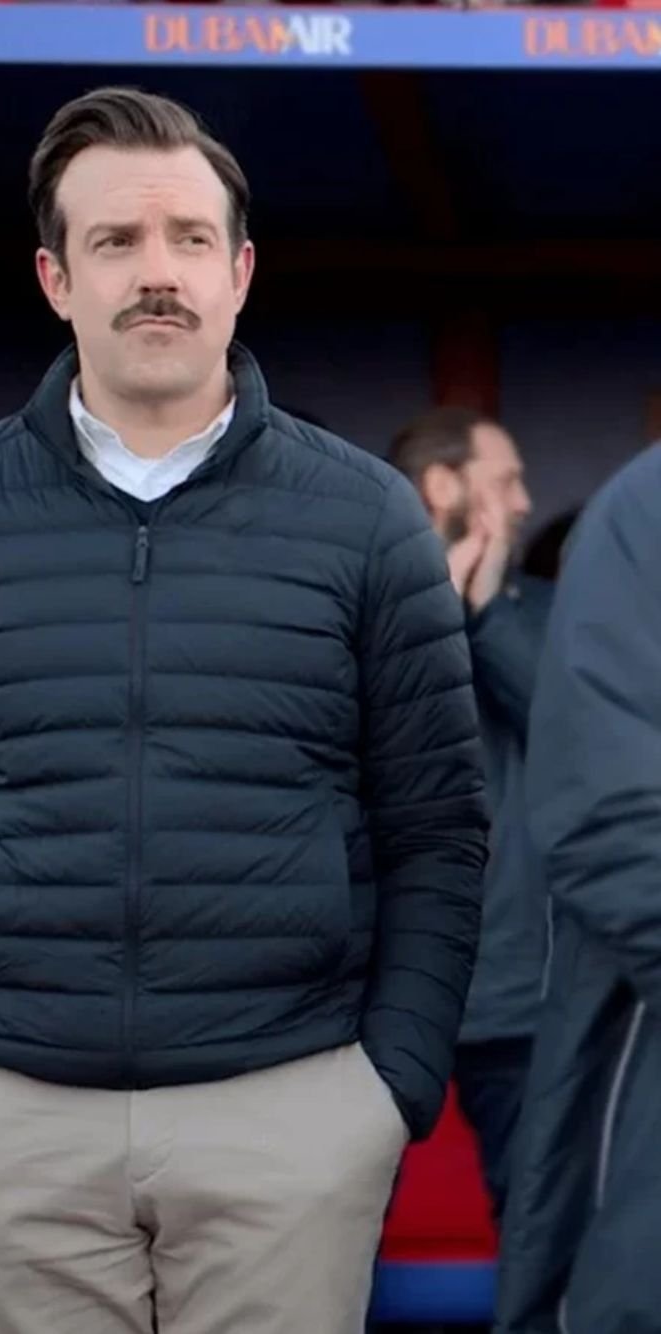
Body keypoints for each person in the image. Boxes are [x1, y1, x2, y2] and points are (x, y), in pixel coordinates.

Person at [0, 87, 488, 1334]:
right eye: (115, 241)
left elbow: (440, 828)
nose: (156, 273)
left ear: (240, 272)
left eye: (189, 238)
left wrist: (383, 1090)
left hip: (288, 1120)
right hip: (3, 1125)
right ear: (55, 278)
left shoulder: (366, 518)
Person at [496, 443, 661, 1334]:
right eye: (502, 480)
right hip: (525, 989)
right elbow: (605, 805)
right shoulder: (647, 511)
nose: (522, 499)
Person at [389, 406, 550, 1222]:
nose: (524, 502)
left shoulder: (544, 613)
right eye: (507, 480)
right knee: (323, 1237)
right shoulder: (361, 604)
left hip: (519, 989)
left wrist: (486, 617)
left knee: (541, 1222)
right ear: (443, 485)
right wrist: (432, 617)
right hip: (374, 984)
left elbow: (574, 732)